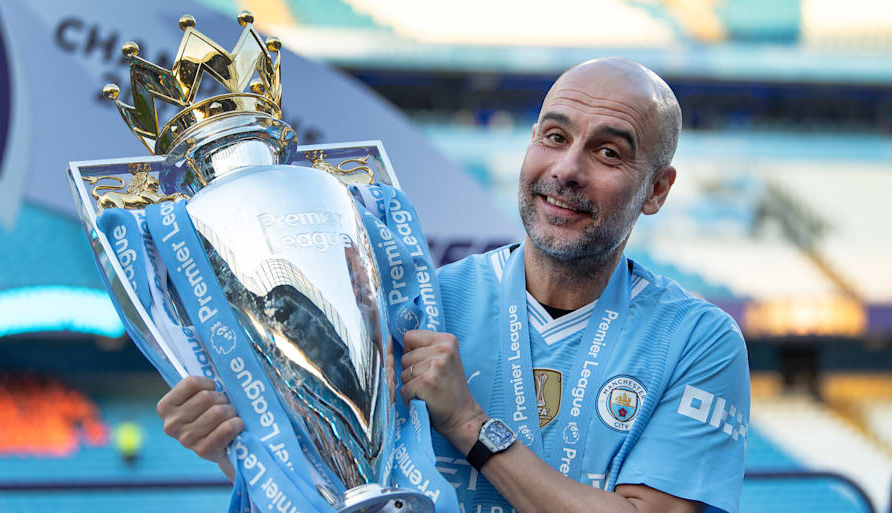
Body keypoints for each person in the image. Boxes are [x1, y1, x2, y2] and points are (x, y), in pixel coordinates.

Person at [157, 57, 750, 513]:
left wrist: (469, 424)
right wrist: (242, 449)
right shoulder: (414, 305)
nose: (567, 169)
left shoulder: (696, 340)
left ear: (656, 190)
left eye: (608, 152)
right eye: (553, 136)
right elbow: (347, 488)